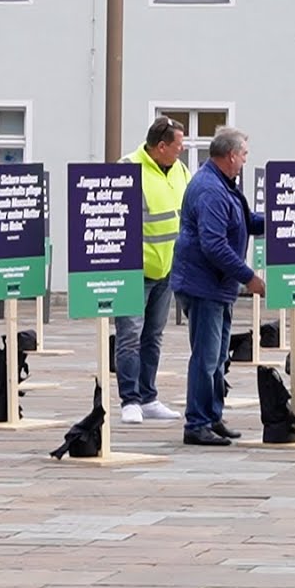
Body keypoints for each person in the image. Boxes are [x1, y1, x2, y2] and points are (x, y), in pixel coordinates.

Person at [170, 126, 265, 445]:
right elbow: (214, 244)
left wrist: (282, 217)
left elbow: (245, 221)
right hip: (203, 285)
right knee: (207, 357)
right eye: (244, 155)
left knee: (218, 354)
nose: (245, 161)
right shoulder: (211, 189)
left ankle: (211, 416)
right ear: (231, 155)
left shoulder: (224, 184)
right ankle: (196, 423)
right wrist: (249, 277)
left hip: (216, 286)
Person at [115, 116, 189, 424]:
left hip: (167, 269)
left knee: (153, 336)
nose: (182, 151)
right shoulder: (128, 169)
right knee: (129, 336)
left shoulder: (181, 171)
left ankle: (148, 397)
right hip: (135, 270)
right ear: (161, 147)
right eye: (178, 146)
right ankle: (129, 400)